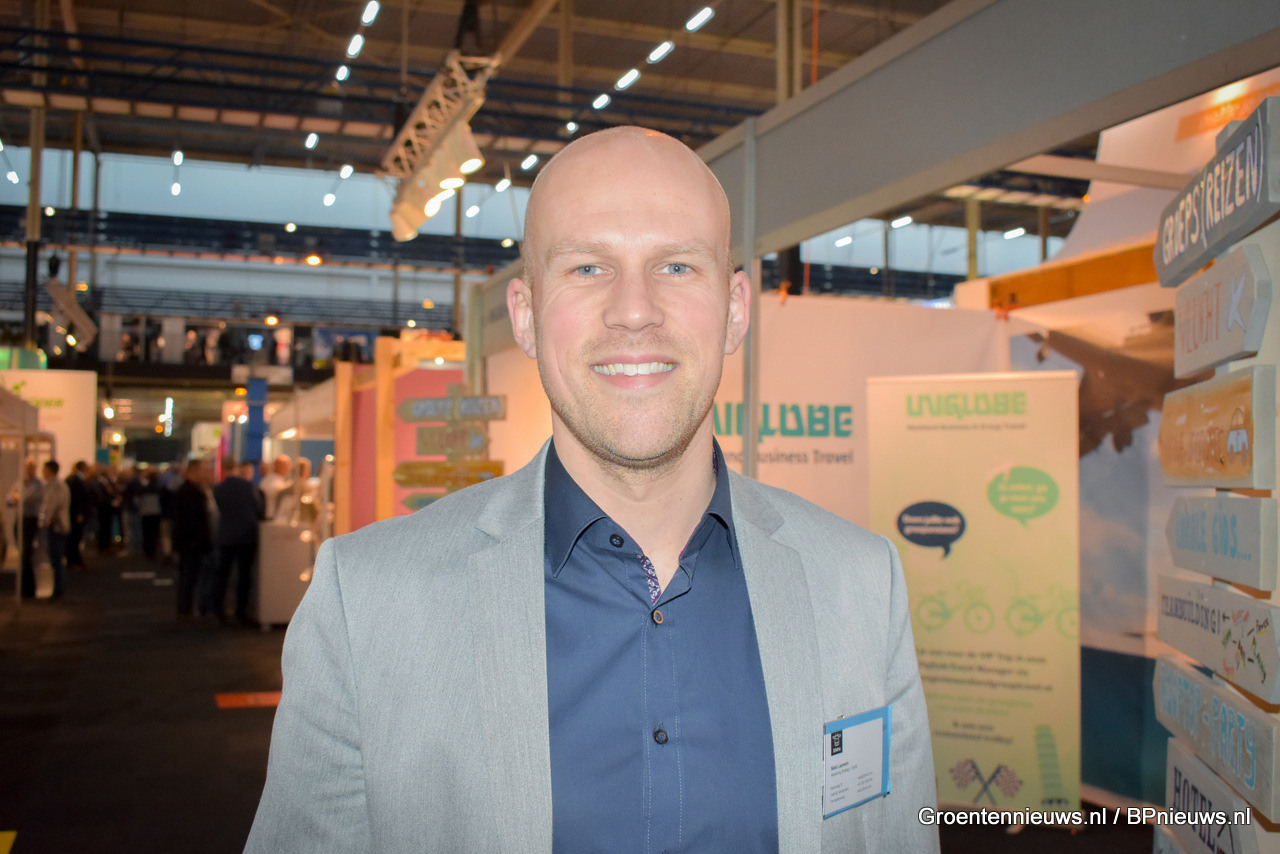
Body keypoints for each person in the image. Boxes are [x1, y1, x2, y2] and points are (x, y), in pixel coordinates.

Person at [247, 127, 937, 852]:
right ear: (525, 315)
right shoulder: (369, 604)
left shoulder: (860, 584)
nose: (634, 310)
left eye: (676, 265)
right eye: (587, 267)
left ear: (735, 309)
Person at [211, 460, 262, 625]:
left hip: (226, 535)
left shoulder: (219, 488)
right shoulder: (248, 487)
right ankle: (241, 611)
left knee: (223, 574)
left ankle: (219, 610)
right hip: (246, 535)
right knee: (244, 575)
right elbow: (258, 507)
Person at [170, 458, 214, 618]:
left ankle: (185, 608)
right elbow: (192, 520)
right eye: (204, 470)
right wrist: (200, 540)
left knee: (188, 576)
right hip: (191, 542)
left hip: (189, 542)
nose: (207, 474)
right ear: (195, 471)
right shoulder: (191, 491)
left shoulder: (189, 490)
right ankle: (185, 609)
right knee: (189, 576)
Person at [38, 460, 70, 599]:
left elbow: (53, 505)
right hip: (57, 525)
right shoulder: (56, 485)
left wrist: (46, 520)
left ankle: (58, 589)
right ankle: (58, 587)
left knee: (56, 558)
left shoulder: (56, 486)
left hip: (56, 526)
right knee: (56, 558)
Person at [10, 458, 42, 600]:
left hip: (30, 520)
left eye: (32, 466)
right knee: (22, 554)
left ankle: (29, 589)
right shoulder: (20, 483)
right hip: (20, 520)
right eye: (27, 466)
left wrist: (18, 498)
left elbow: (29, 499)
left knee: (26, 554)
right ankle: (24, 588)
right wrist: (15, 499)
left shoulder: (38, 484)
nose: (29, 469)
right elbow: (9, 499)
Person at [65, 460, 92, 570]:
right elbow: (76, 498)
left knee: (76, 538)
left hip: (76, 513)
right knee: (74, 538)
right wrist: (78, 513)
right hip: (75, 514)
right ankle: (72, 561)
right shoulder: (75, 480)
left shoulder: (75, 479)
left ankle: (75, 560)